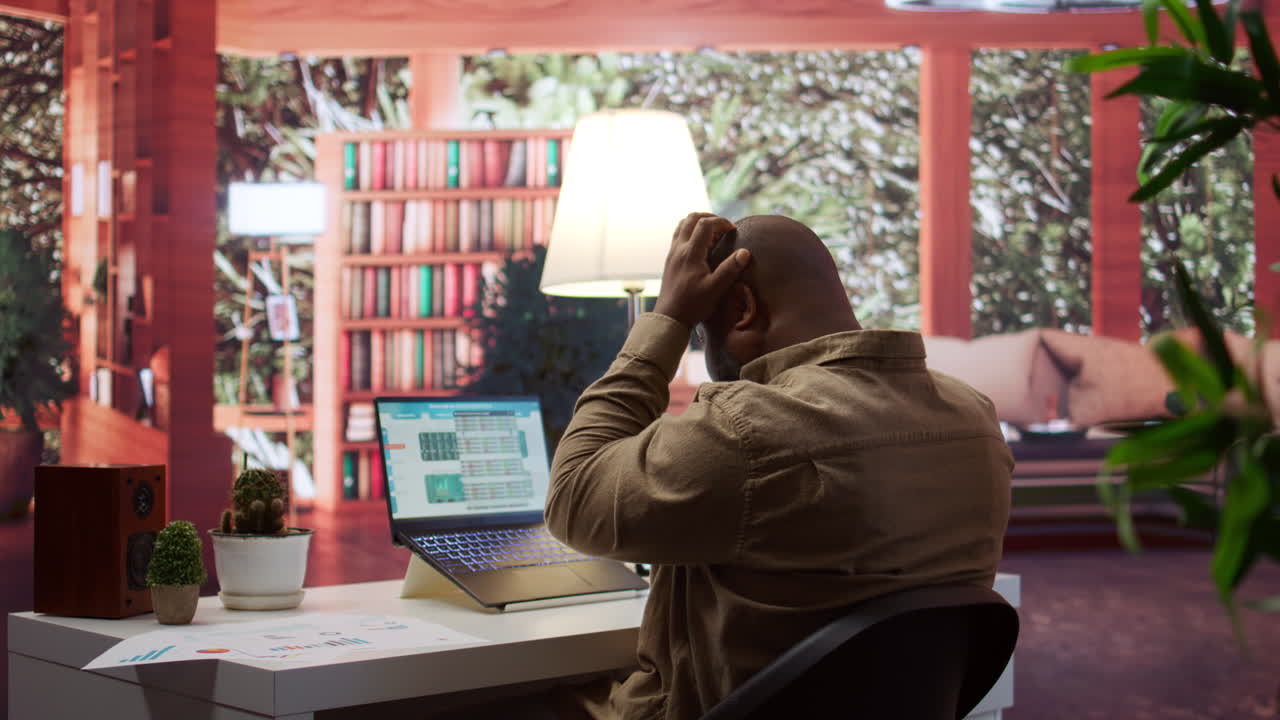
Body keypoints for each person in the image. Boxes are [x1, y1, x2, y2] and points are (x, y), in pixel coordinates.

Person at [541, 212, 1012, 720]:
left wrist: (669, 318)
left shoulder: (746, 429)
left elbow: (572, 494)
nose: (704, 349)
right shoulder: (975, 420)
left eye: (703, 333)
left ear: (742, 308)